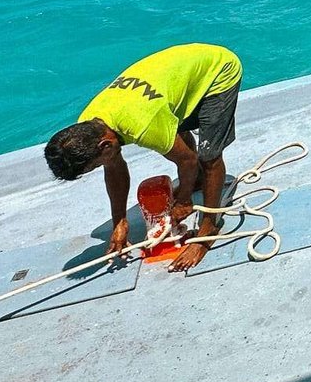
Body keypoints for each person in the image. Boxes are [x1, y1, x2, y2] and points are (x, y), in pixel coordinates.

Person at [45, 43, 242, 272]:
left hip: (219, 70)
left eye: (94, 166)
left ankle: (208, 232)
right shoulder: (90, 122)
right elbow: (114, 168)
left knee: (208, 157)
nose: (100, 167)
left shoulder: (143, 125)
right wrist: (119, 221)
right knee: (171, 128)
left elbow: (187, 160)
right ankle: (196, 181)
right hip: (176, 78)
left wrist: (185, 200)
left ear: (105, 146)